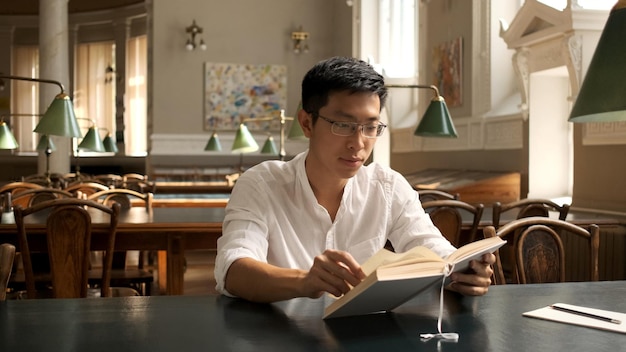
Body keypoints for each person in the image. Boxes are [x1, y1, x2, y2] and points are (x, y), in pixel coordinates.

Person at [215, 56, 495, 303]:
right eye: (343, 126)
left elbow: (433, 250)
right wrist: (304, 281)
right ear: (307, 123)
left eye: (371, 127)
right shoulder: (261, 184)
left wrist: (464, 271)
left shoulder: (387, 186)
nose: (358, 143)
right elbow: (233, 270)